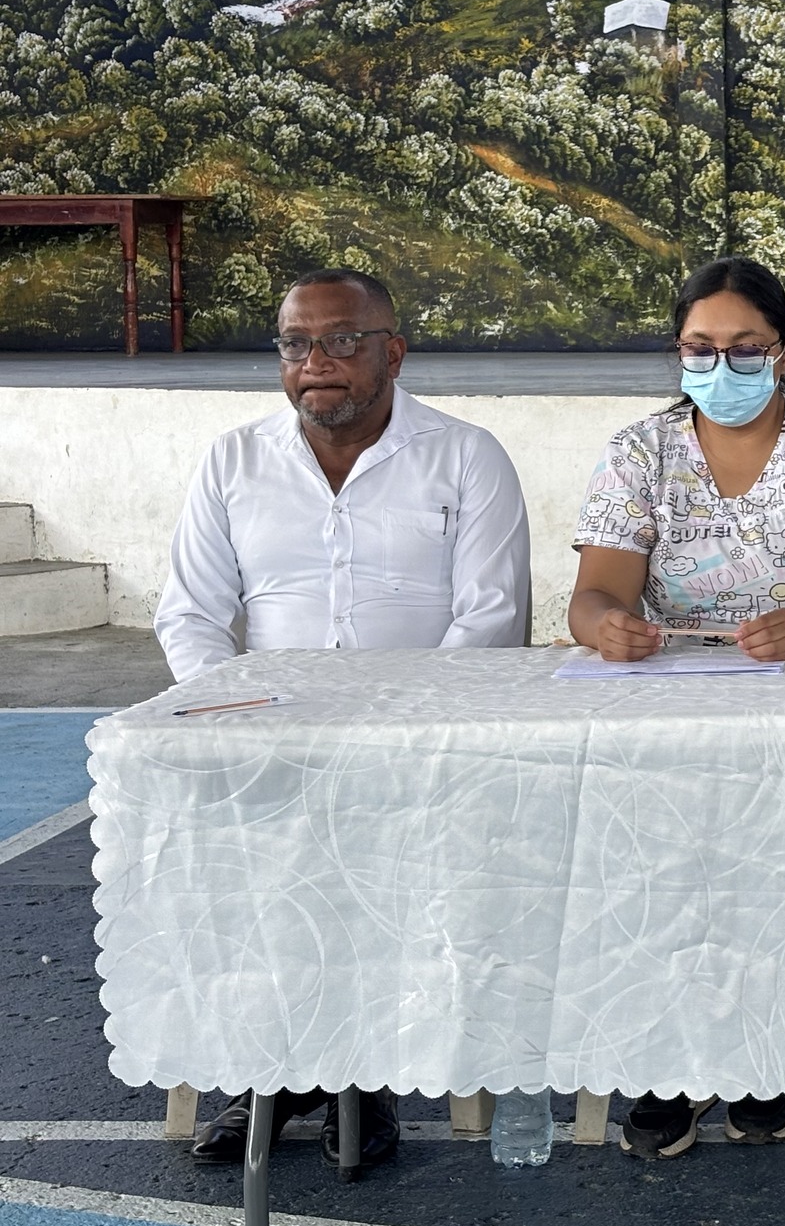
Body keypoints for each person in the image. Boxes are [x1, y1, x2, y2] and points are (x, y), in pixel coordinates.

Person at [155, 268, 532, 1170]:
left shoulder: (466, 456)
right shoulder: (234, 460)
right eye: (296, 344)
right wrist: (238, 716)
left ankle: (364, 1076)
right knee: (248, 885)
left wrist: (398, 732)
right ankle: (274, 1073)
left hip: (422, 742)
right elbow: (191, 614)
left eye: (341, 341)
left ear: (392, 353)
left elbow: (492, 615)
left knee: (374, 865)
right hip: (268, 736)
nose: (315, 361)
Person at [569, 255, 785, 1155]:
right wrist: (609, 629)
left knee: (782, 880)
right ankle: (667, 1063)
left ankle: (766, 1058)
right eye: (700, 349)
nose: (721, 369)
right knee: (658, 881)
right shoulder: (640, 450)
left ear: (784, 351)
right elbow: (594, 596)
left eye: (746, 349)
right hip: (673, 702)